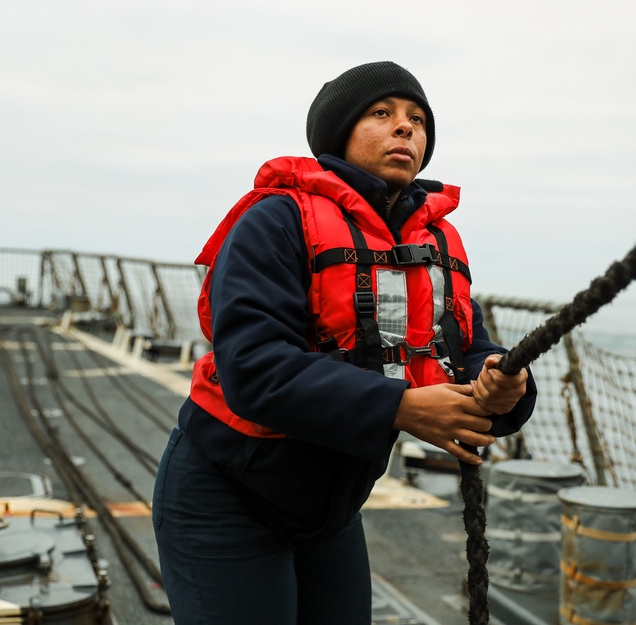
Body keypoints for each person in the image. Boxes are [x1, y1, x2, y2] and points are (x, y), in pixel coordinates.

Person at [152, 61, 537, 625]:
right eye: (381, 114)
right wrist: (400, 407)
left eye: (417, 119)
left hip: (331, 506)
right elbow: (254, 368)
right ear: (340, 133)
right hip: (225, 492)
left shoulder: (431, 243)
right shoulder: (276, 220)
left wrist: (505, 387)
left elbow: (466, 350)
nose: (405, 128)